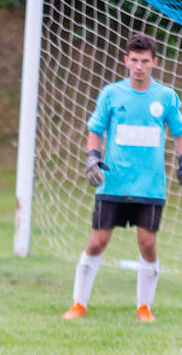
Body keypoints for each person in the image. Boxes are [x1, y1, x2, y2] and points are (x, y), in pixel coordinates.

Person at [61, 33, 182, 322]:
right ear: (126, 60)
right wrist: (93, 157)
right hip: (113, 182)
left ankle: (144, 307)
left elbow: (178, 133)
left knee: (147, 244)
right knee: (97, 242)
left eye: (145, 61)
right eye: (134, 61)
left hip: (150, 186)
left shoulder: (165, 96)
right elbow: (96, 129)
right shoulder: (111, 93)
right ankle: (78, 304)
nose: (139, 66)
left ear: (155, 62)